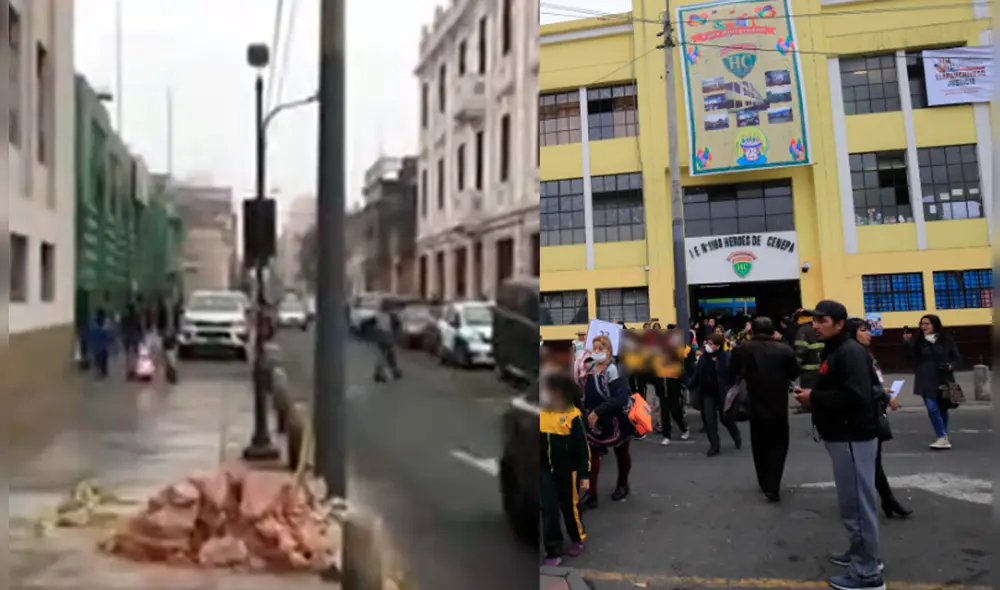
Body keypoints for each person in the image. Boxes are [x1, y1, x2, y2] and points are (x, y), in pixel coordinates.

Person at [793, 300, 885, 590]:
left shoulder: (850, 353)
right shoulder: (835, 350)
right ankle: (861, 554)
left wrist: (814, 399)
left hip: (853, 437)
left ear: (840, 323)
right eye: (814, 320)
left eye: (822, 321)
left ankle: (868, 574)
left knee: (857, 506)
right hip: (843, 436)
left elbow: (857, 397)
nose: (815, 326)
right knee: (853, 504)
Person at [845, 317, 912, 519]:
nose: (869, 334)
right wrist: (883, 394)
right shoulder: (852, 355)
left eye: (868, 330)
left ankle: (886, 500)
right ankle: (881, 500)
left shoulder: (865, 353)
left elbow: (870, 382)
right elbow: (858, 387)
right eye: (863, 330)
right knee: (868, 461)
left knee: (873, 460)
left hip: (873, 411)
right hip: (861, 415)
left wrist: (882, 391)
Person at [729, 317, 800, 502]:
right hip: (778, 403)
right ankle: (774, 483)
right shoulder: (784, 349)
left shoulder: (742, 348)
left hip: (754, 402)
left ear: (752, 330)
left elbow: (731, 371)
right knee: (779, 444)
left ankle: (764, 482)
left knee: (759, 444)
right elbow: (794, 372)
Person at [540, 372, 591, 566]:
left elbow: (581, 447)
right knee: (549, 509)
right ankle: (553, 550)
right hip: (545, 470)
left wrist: (584, 473)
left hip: (568, 471)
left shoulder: (572, 415)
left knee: (570, 508)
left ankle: (577, 537)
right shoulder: (541, 414)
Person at [578, 335, 633, 509]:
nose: (596, 352)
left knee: (621, 454)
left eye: (600, 348)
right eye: (594, 348)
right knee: (592, 457)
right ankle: (591, 493)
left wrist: (598, 411)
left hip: (616, 421)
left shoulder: (613, 370)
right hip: (595, 423)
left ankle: (623, 484)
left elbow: (621, 398)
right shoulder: (591, 369)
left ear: (608, 351)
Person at [903, 314, 962, 449]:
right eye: (922, 324)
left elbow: (957, 358)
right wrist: (907, 343)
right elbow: (909, 357)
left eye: (927, 324)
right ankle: (942, 436)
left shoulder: (946, 341)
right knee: (932, 407)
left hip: (944, 377)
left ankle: (942, 434)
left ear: (935, 325)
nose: (924, 326)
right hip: (925, 378)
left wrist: (951, 366)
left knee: (943, 408)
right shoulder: (918, 342)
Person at [688, 333, 742, 457]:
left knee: (725, 418)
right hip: (707, 394)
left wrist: (735, 387)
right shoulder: (703, 359)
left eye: (711, 344)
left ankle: (736, 436)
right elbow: (697, 374)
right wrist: (689, 384)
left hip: (723, 393)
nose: (707, 345)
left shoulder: (726, 358)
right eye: (707, 343)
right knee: (709, 420)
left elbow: (734, 374)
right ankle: (714, 446)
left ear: (718, 346)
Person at [650, 328, 690, 446]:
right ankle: (666, 435)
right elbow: (654, 376)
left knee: (676, 413)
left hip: (674, 392)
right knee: (664, 414)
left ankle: (684, 428)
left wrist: (684, 384)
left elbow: (682, 375)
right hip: (662, 393)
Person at [372, 299, 402, 381]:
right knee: (387, 354)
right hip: (387, 336)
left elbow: (376, 325)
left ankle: (383, 372)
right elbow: (396, 326)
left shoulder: (378, 314)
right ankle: (388, 372)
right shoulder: (391, 315)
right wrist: (396, 337)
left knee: (384, 355)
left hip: (381, 336)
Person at [87, 308, 112, 379]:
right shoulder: (103, 323)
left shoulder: (93, 322)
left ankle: (100, 372)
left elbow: (90, 332)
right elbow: (108, 334)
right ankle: (102, 372)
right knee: (102, 358)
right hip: (101, 344)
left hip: (97, 345)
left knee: (98, 359)